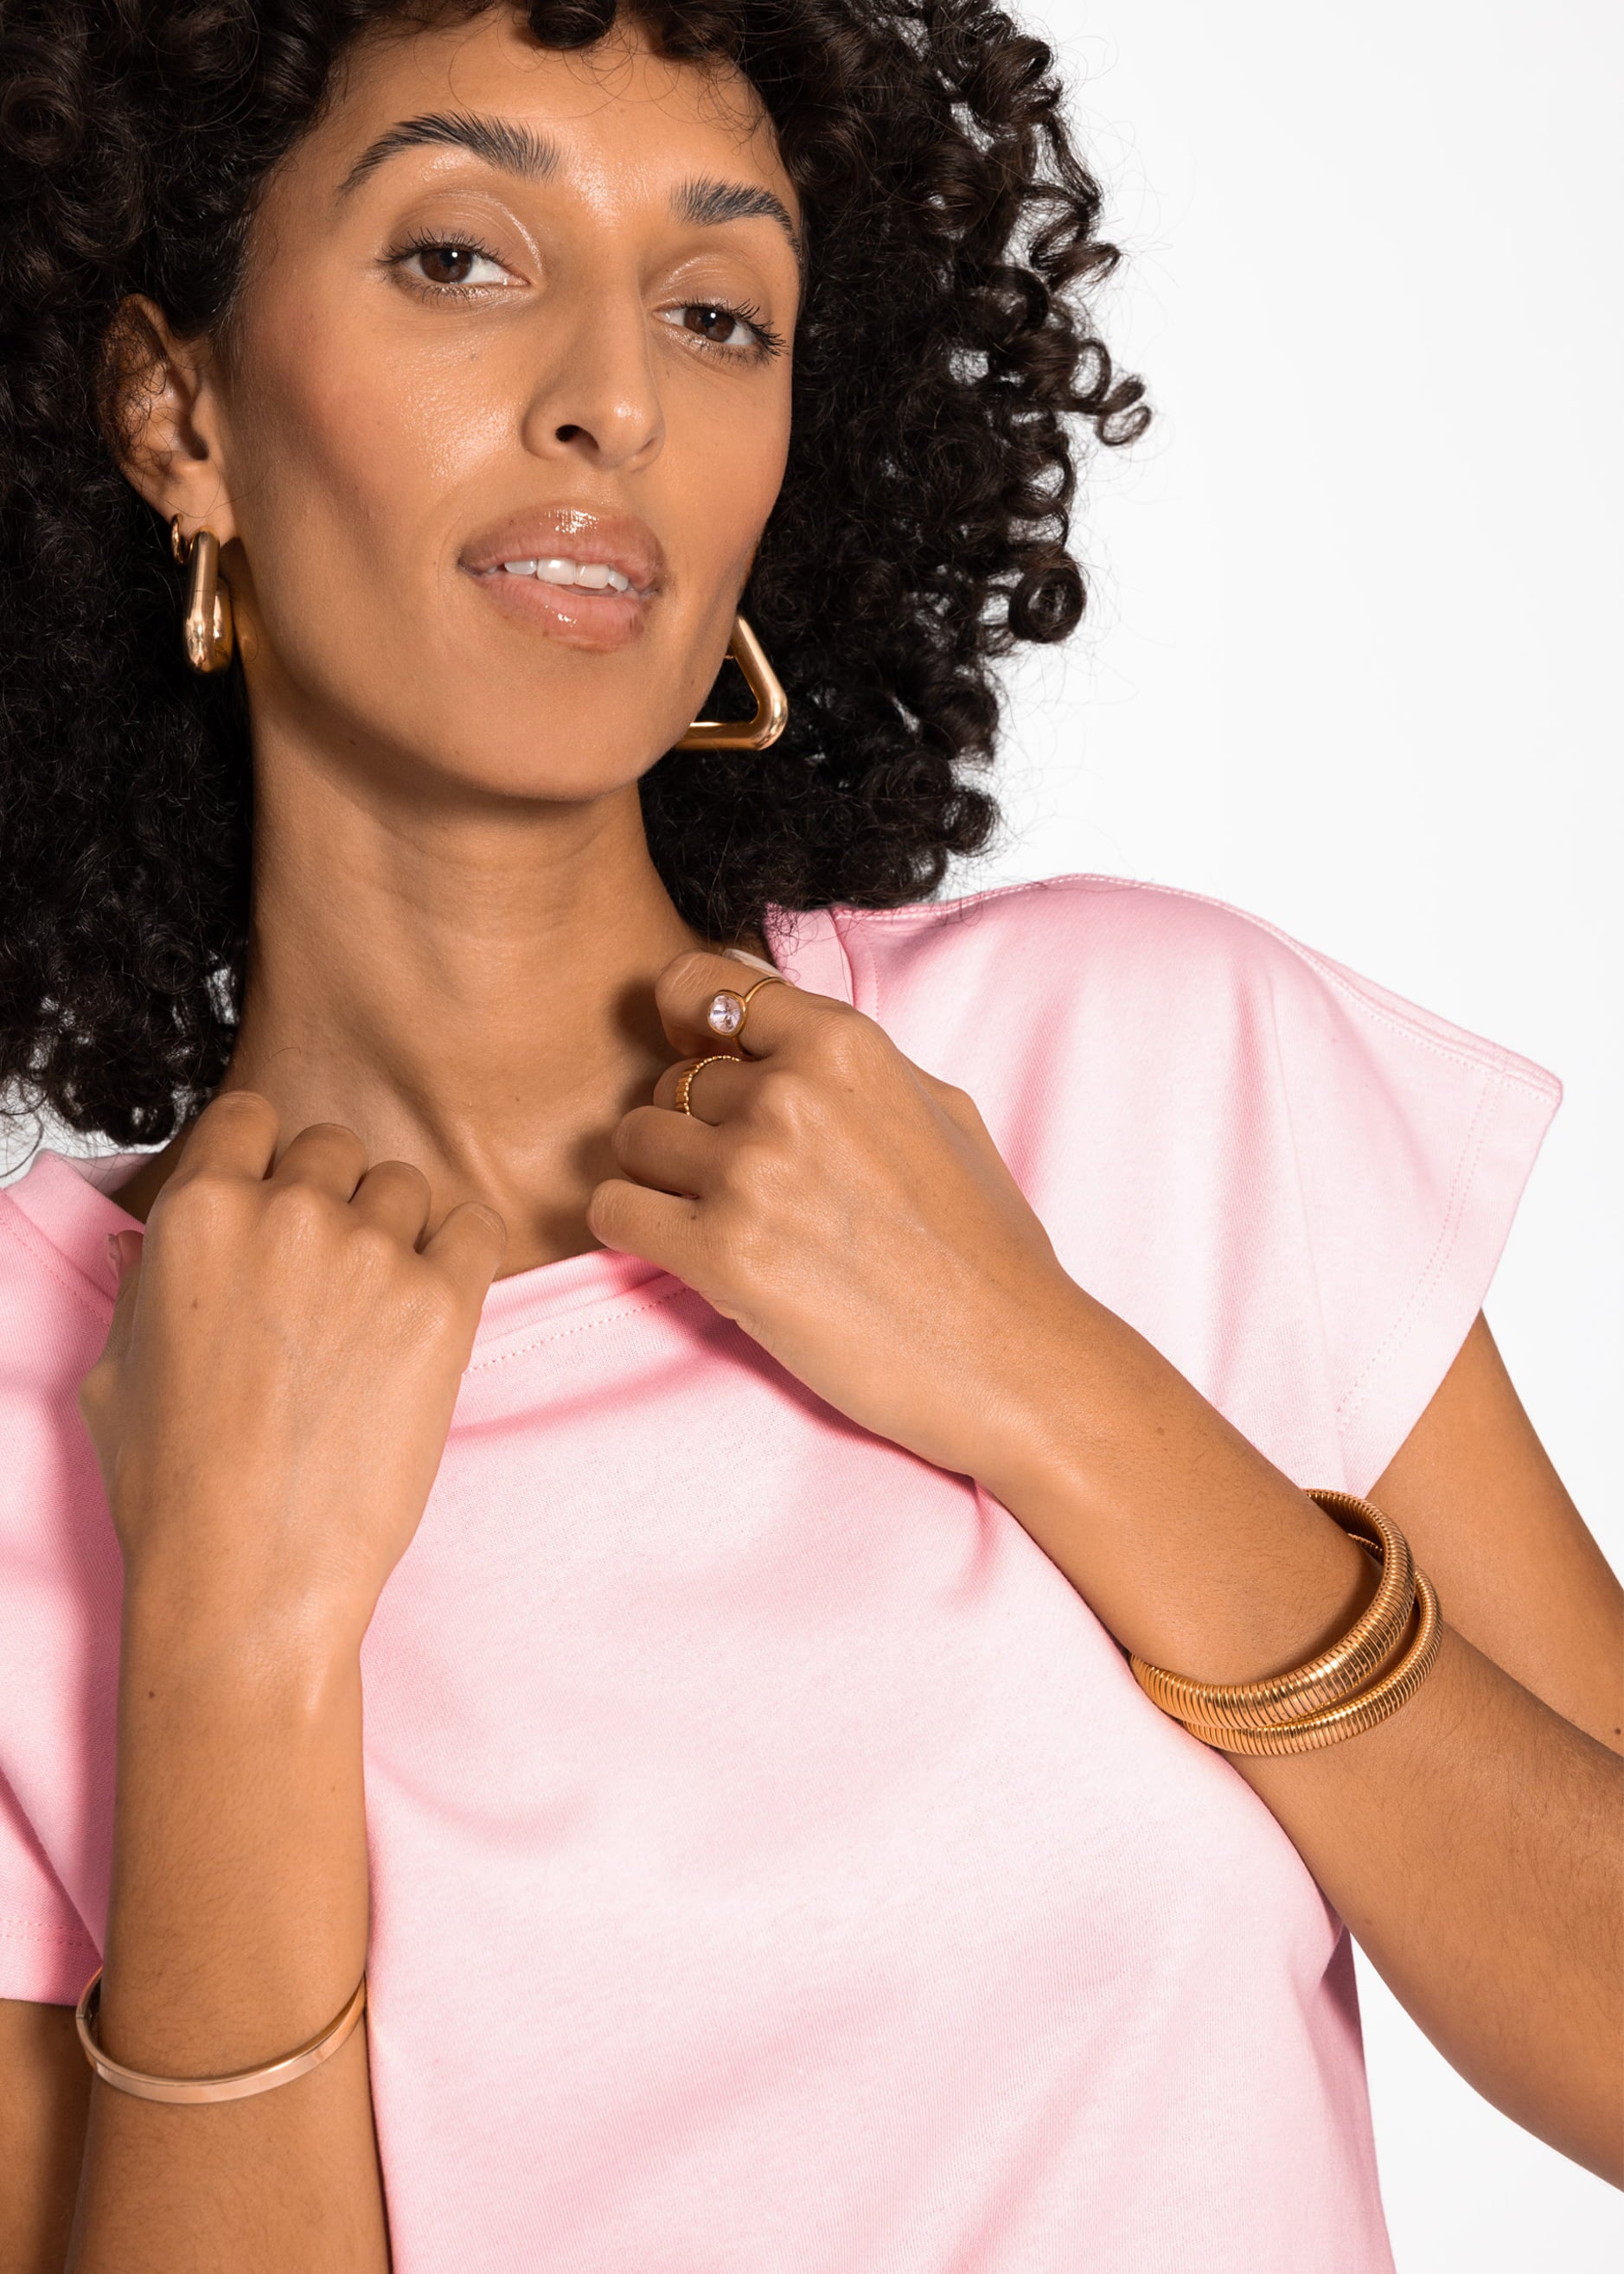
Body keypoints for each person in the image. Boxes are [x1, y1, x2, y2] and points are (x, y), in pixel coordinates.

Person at [0, 1, 1618, 2266]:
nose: (616, 397)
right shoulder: (38, 1413)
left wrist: (1051, 1378)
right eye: (460, 258)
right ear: (181, 417)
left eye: (715, 311)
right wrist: (231, 1649)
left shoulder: (1145, 1067)